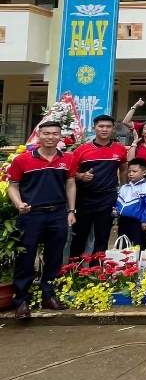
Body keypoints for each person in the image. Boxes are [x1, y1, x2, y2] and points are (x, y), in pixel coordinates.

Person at [6, 120, 77, 319]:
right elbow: (13, 186)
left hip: (58, 213)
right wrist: (19, 204)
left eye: (55, 133)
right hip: (31, 215)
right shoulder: (23, 160)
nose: (51, 137)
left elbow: (71, 185)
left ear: (60, 136)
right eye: (46, 133)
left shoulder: (68, 159)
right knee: (26, 258)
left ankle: (48, 295)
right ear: (38, 135)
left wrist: (71, 211)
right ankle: (21, 301)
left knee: (54, 257)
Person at [71, 114, 127, 258]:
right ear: (94, 128)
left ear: (113, 129)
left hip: (108, 197)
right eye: (101, 126)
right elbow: (71, 174)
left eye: (108, 126)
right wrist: (81, 176)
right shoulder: (81, 150)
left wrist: (124, 190)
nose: (104, 129)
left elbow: (123, 169)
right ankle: (74, 268)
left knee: (103, 237)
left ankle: (98, 268)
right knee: (79, 236)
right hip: (85, 198)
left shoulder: (120, 149)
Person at [114, 158, 146, 249]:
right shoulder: (124, 187)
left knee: (139, 246)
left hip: (139, 222)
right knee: (123, 245)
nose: (131, 174)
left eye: (134, 171)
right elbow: (118, 203)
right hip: (124, 220)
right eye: (129, 171)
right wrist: (115, 212)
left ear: (144, 172)